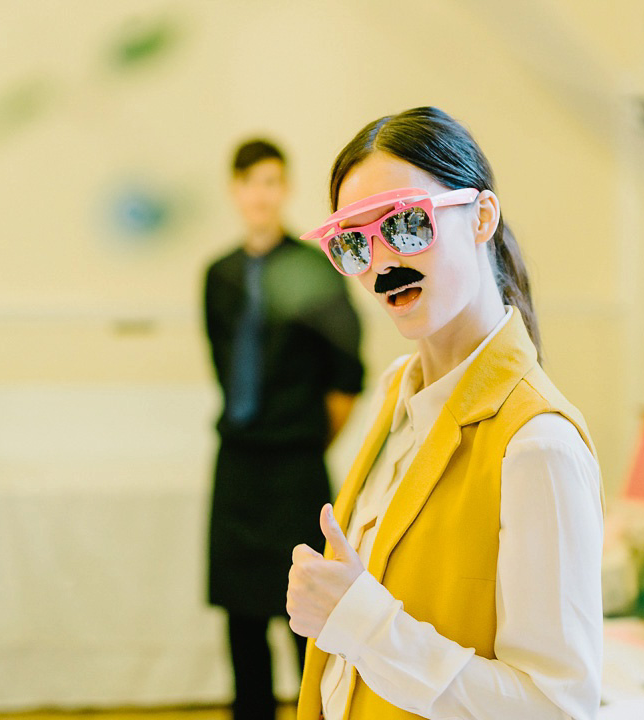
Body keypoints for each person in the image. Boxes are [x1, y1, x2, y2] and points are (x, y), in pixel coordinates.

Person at [286, 107, 604, 720]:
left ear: (482, 216)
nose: (382, 264)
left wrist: (358, 622)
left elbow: (557, 710)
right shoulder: (395, 396)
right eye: (354, 242)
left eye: (406, 224)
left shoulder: (537, 445)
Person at [204, 139, 365, 720]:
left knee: (309, 622)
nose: (261, 194)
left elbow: (348, 375)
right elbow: (223, 367)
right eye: (250, 181)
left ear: (286, 188)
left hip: (296, 463)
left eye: (272, 181)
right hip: (237, 461)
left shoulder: (313, 270)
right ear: (235, 190)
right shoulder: (217, 276)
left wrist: (308, 438)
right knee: (241, 621)